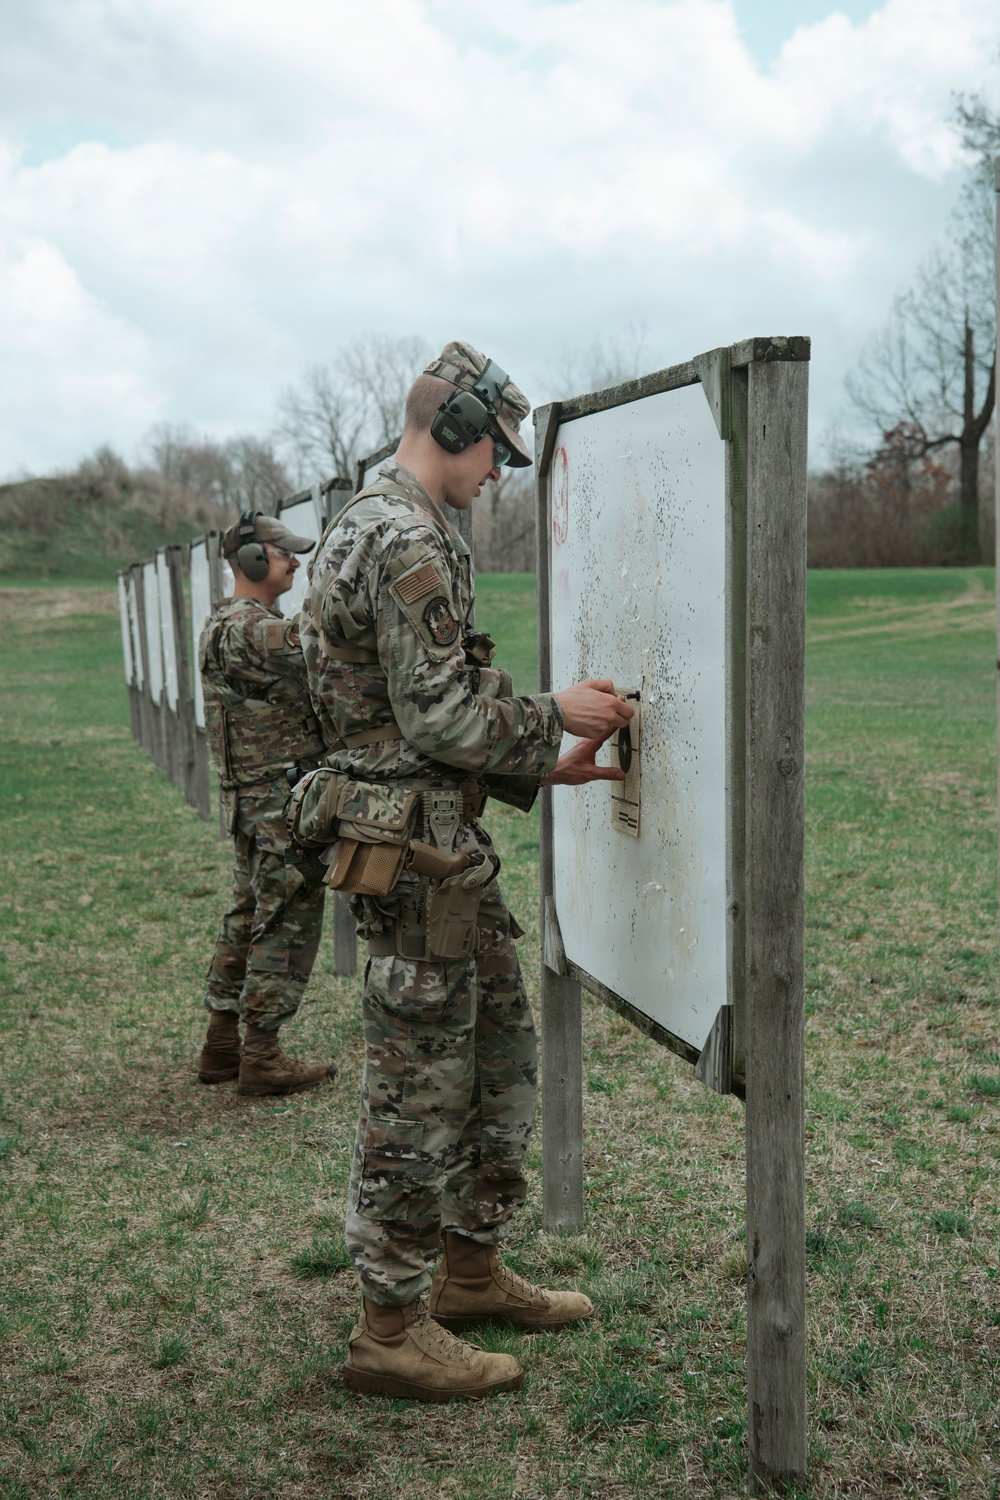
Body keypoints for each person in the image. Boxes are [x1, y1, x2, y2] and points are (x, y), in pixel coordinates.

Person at [301, 340, 633, 1400]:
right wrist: (553, 714)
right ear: (453, 429)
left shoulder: (384, 521)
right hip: (416, 861)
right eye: (494, 449)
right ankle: (390, 1330)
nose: (497, 470)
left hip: (440, 842)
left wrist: (547, 765)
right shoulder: (401, 535)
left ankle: (471, 1271)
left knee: (494, 1051)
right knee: (417, 1088)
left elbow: (419, 719)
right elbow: (435, 713)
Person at [197, 511, 336, 1098]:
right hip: (276, 802)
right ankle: (262, 1054)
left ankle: (223, 1045)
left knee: (249, 914)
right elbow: (320, 642)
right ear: (252, 560)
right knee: (287, 918)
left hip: (254, 799)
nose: (296, 563)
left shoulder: (224, 624)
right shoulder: (249, 629)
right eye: (285, 555)